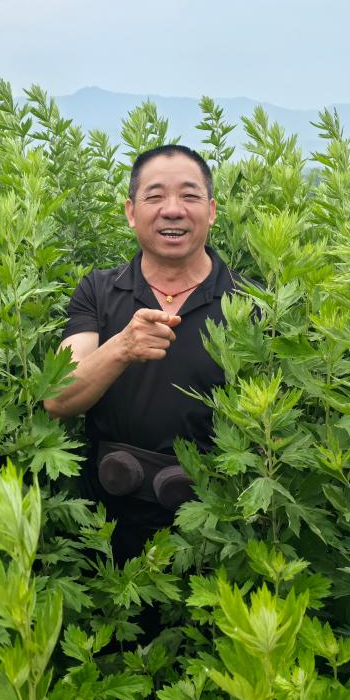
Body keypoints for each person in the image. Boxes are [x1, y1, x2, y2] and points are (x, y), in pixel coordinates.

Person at [44, 144, 242, 565]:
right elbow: (57, 399)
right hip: (107, 530)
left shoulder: (253, 303)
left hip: (218, 533)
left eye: (189, 196)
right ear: (131, 212)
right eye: (155, 196)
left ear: (211, 211)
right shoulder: (98, 291)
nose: (173, 210)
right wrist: (122, 347)